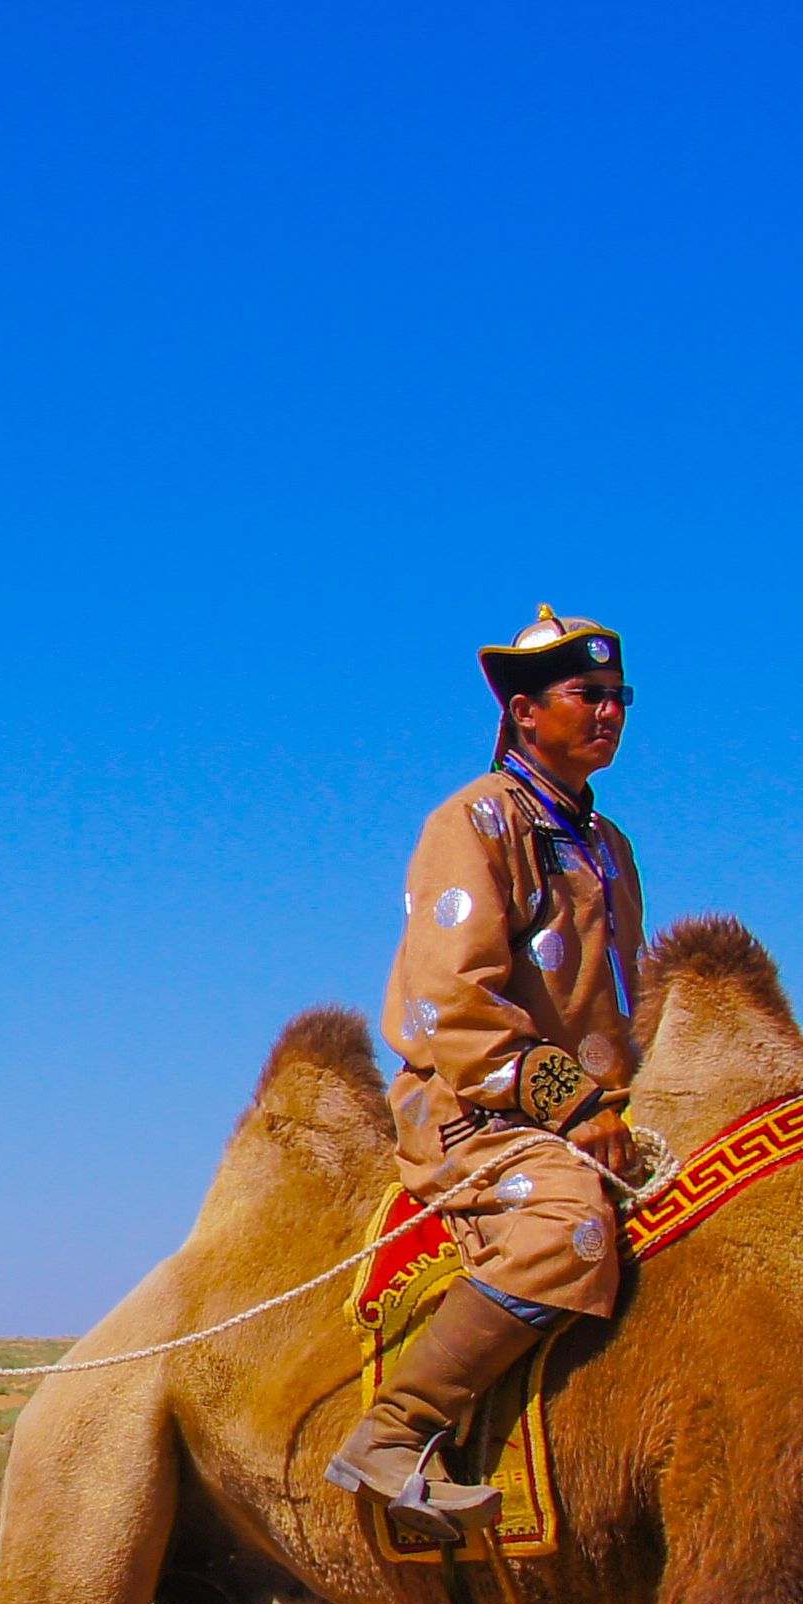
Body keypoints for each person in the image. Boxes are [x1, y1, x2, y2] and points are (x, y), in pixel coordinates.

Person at [325, 606, 644, 1535]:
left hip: (600, 1109)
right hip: (479, 1113)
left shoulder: (610, 848)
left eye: (620, 698)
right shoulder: (473, 822)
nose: (610, 713)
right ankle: (393, 1434)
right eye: (587, 696)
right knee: (569, 1225)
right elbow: (448, 1002)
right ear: (522, 711)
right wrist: (571, 1103)